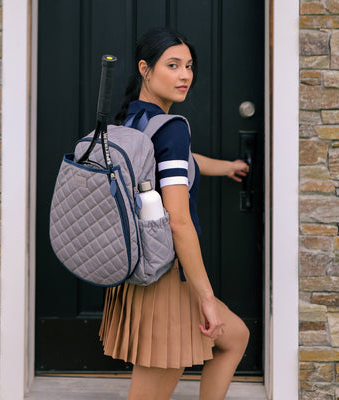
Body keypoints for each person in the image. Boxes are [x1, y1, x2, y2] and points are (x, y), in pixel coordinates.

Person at [99, 27, 250, 400]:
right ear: (145, 69)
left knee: (236, 337)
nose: (185, 75)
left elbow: (176, 165)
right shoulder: (171, 130)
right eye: (173, 65)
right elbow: (179, 222)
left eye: (189, 66)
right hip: (166, 280)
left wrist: (225, 166)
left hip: (134, 271)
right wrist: (206, 298)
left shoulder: (132, 120)